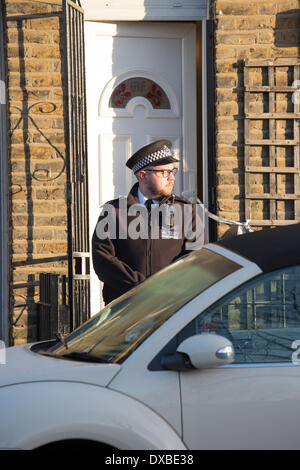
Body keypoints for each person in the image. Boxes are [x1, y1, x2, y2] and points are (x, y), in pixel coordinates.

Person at [92, 139, 206, 304]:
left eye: (172, 171)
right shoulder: (114, 212)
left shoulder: (185, 212)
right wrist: (140, 287)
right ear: (143, 176)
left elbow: (197, 257)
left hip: (171, 307)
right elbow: (103, 259)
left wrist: (163, 287)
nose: (172, 178)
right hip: (125, 309)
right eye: (164, 173)